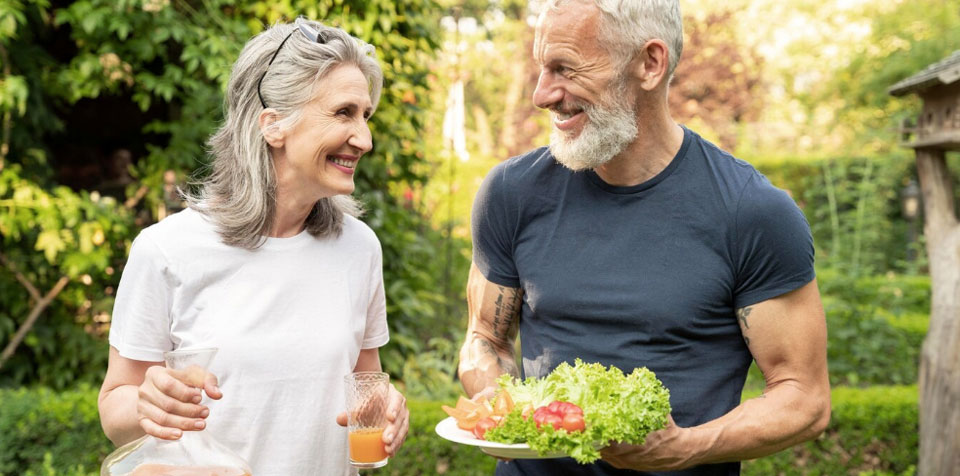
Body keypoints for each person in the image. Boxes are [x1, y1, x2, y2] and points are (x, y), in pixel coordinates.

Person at [458, 1, 830, 475]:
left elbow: (805, 397)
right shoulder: (511, 192)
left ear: (650, 64)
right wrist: (497, 401)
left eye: (564, 69)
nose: (541, 94)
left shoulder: (751, 211)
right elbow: (484, 338)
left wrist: (684, 447)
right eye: (541, 68)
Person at [98, 18, 409, 475]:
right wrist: (147, 404)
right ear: (273, 124)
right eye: (344, 113)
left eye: (366, 115)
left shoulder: (359, 249)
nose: (364, 138)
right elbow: (114, 407)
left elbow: (366, 385)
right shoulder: (166, 249)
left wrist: (386, 410)